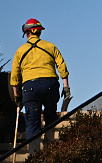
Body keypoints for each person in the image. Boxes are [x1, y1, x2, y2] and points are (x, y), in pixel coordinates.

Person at [10, 18, 70, 146]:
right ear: (39, 32)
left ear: (27, 33)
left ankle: (34, 155)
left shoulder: (20, 51)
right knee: (50, 116)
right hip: (50, 84)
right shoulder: (50, 46)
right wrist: (66, 87)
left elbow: (15, 77)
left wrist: (17, 96)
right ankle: (49, 149)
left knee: (32, 122)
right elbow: (62, 67)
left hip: (30, 87)